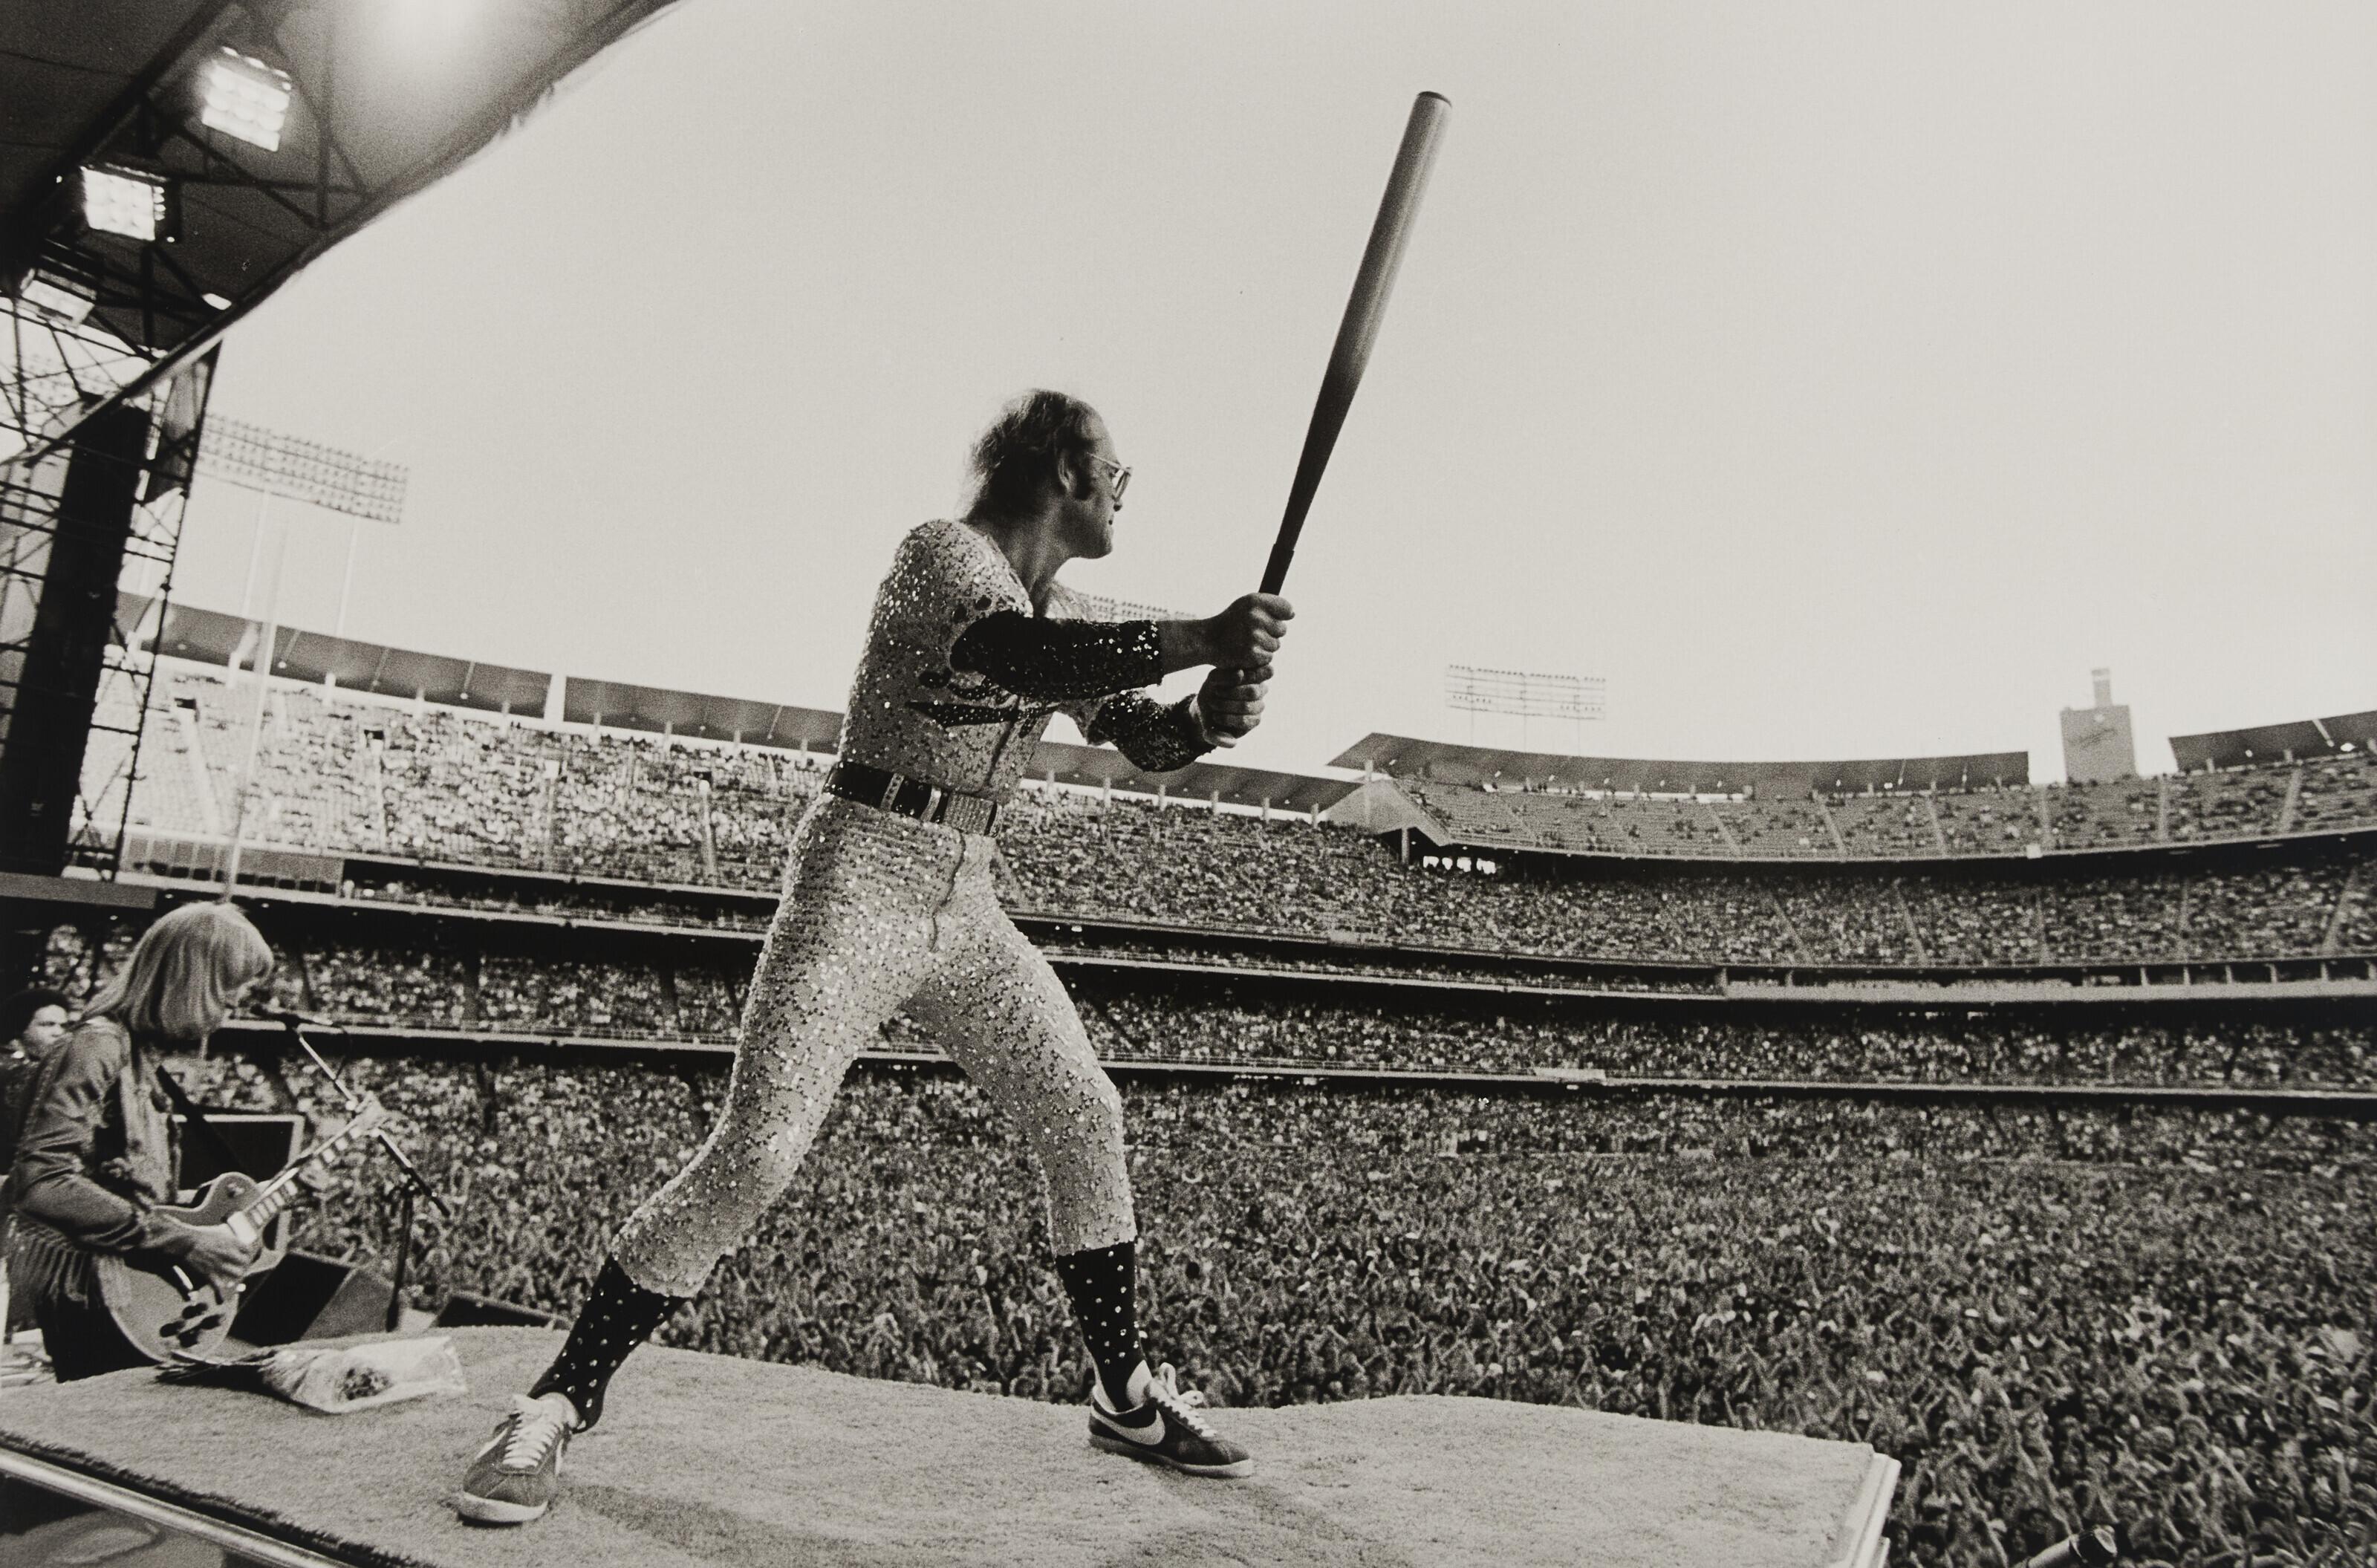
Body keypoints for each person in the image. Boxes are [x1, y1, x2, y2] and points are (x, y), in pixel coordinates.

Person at [457, 390, 1292, 1523]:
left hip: (967, 889)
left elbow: (1144, 740)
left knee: (1085, 1111)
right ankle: (556, 1398)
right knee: (756, 1153)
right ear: (1060, 469)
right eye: (1115, 468)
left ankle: (1125, 1393)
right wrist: (1203, 635)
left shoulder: (1068, 601)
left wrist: (1209, 716)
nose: (1125, 489)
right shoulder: (940, 554)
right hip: (862, 870)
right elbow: (1021, 656)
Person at [7, 904, 273, 1380]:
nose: (227, 1015)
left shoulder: (138, 1055)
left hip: (118, 1288)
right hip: (87, 1291)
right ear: (192, 983)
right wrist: (184, 1242)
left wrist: (200, 1225)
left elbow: (135, 1192)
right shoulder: (97, 1047)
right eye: (225, 998)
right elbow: (42, 1183)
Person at [1, 986, 74, 1340]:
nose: (60, 1033)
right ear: (20, 1030)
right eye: (48, 1025)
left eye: (64, 1025)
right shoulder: (21, 1074)